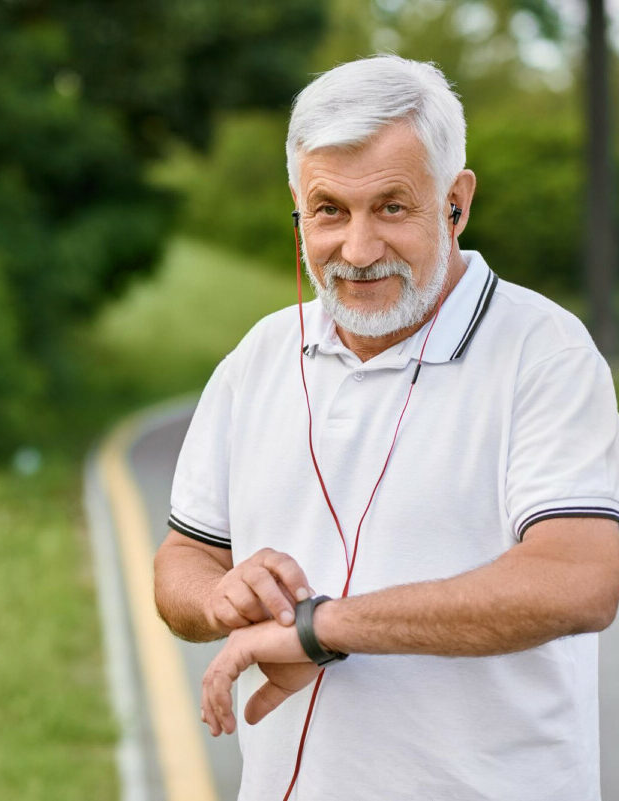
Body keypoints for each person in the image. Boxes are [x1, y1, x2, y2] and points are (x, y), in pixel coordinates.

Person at [153, 55, 619, 801]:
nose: (359, 250)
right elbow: (184, 557)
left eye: (392, 208)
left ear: (456, 202)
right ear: (298, 212)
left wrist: (322, 627)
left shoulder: (547, 353)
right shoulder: (258, 357)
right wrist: (220, 599)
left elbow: (580, 579)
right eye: (329, 210)